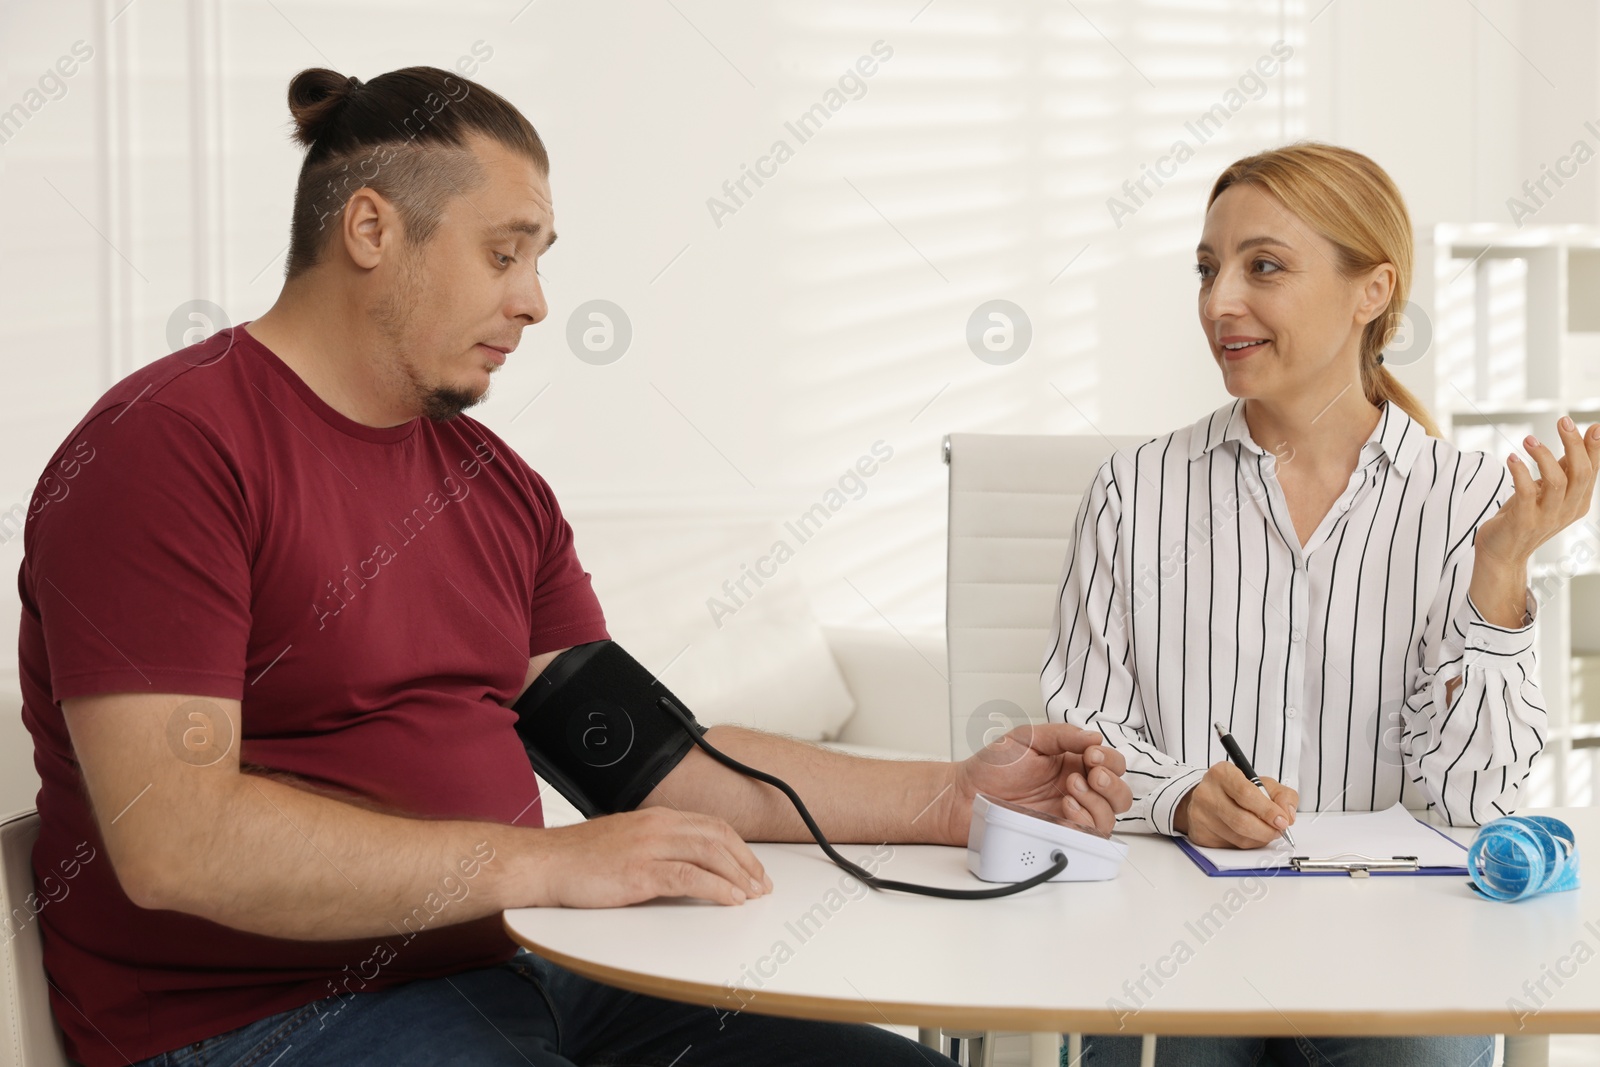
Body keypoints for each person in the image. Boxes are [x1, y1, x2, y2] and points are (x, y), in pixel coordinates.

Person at [18, 66, 1134, 1067]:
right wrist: (539, 865)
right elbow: (178, 840)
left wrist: (951, 795)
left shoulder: (490, 482)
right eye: (503, 253)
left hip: (521, 977)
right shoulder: (166, 450)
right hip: (261, 1022)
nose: (535, 301)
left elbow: (646, 763)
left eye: (540, 261)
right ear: (369, 228)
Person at [1042, 142, 1600, 1065]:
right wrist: (1183, 796)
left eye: (1263, 266)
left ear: (1370, 290)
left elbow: (1473, 796)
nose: (1220, 302)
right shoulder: (1135, 491)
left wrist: (1499, 574)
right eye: (1208, 268)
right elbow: (1081, 737)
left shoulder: (1463, 499)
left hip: (1399, 944)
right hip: (1180, 933)